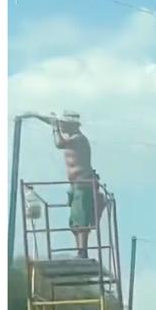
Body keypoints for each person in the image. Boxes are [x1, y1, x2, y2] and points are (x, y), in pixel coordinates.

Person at [30, 111, 103, 258]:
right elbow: (52, 123)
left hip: (83, 183)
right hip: (76, 184)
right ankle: (80, 250)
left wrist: (55, 127)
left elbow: (59, 143)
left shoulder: (79, 138)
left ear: (72, 125)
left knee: (81, 218)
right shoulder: (73, 138)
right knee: (75, 220)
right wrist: (35, 115)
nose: (62, 126)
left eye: (64, 124)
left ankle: (82, 252)